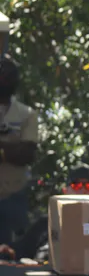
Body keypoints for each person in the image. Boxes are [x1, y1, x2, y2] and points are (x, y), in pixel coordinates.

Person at [0, 55, 38, 245]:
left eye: (9, 74)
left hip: (14, 195)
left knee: (14, 251)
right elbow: (19, 149)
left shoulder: (26, 114)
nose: (4, 78)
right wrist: (12, 148)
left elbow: (27, 153)